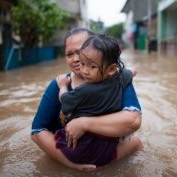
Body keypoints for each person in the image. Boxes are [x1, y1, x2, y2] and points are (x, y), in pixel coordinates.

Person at [31, 28, 143, 171]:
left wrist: (84, 123)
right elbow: (37, 131)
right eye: (69, 54)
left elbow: (133, 120)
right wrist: (70, 164)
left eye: (81, 51)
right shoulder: (58, 85)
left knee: (136, 143)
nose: (76, 58)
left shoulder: (116, 80)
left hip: (106, 154)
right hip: (71, 156)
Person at [55, 33, 136, 166]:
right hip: (108, 147)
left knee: (57, 136)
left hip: (82, 151)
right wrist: (124, 72)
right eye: (83, 63)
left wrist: (63, 85)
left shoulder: (84, 90)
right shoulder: (120, 78)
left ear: (110, 69)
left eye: (92, 66)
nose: (85, 71)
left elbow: (64, 101)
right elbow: (133, 71)